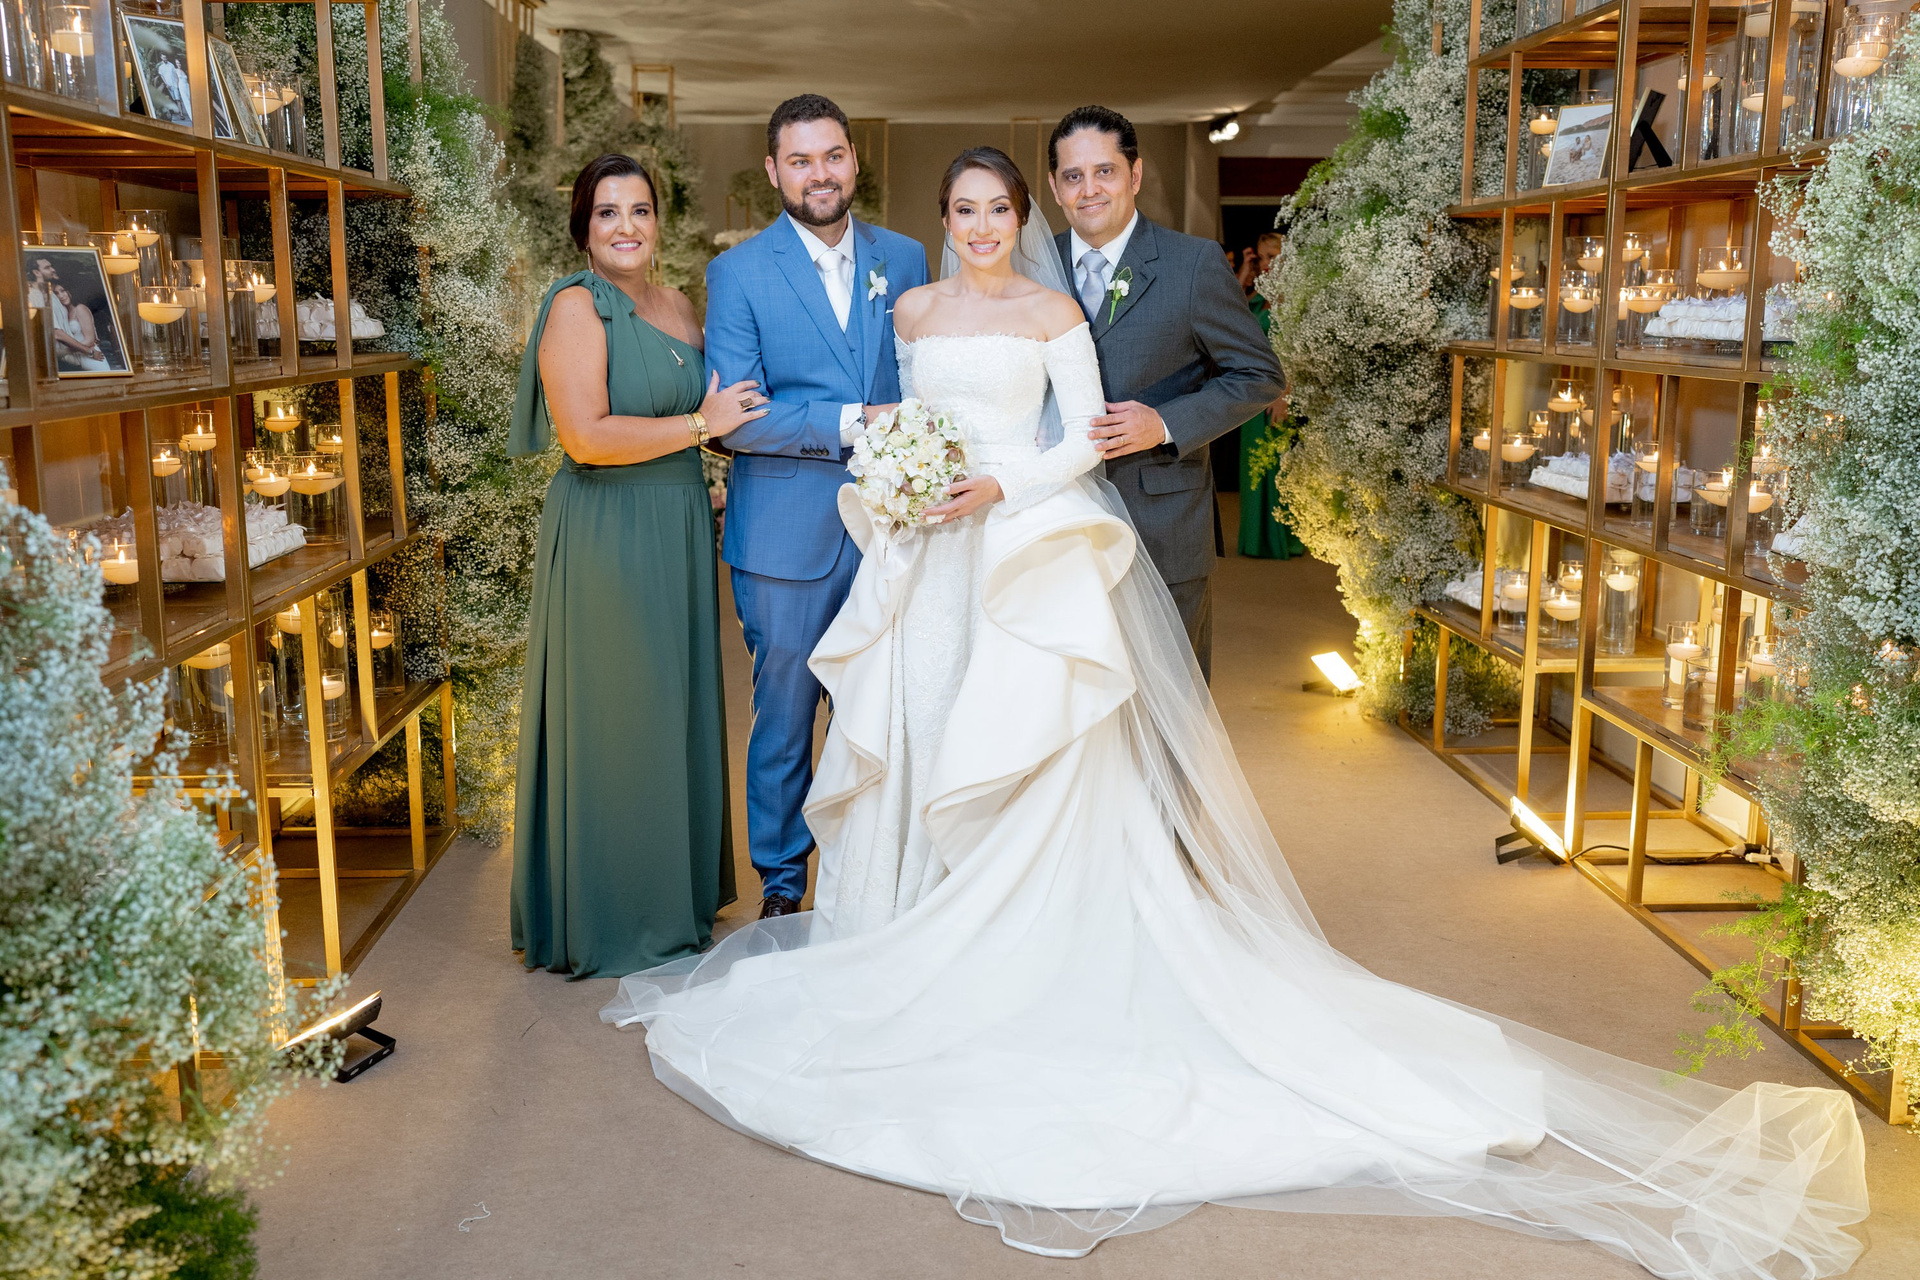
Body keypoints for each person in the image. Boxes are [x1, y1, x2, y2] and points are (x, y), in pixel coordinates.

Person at [602, 148, 1867, 1277]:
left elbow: (1083, 437)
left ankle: (1015, 939)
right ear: (943, 220)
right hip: (930, 560)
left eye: (999, 208)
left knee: (1022, 749)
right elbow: (900, 419)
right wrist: (906, 477)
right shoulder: (913, 309)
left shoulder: (1052, 311)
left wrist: (996, 485)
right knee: (927, 732)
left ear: (1021, 217)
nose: (982, 226)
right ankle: (900, 922)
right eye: (965, 209)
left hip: (1018, 544)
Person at [506, 153, 766, 978]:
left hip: (679, 523)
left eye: (640, 211)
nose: (626, 227)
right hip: (609, 531)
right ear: (583, 227)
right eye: (607, 212)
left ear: (659, 222)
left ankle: (672, 895)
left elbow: (719, 413)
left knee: (672, 705)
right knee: (621, 710)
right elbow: (585, 436)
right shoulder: (577, 307)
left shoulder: (679, 305)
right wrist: (700, 428)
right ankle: (614, 915)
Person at [703, 94, 930, 918]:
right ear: (774, 171)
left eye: (832, 155)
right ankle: (782, 881)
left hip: (894, 530)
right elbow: (738, 416)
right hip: (784, 536)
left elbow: (925, 379)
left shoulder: (905, 258)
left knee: (888, 709)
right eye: (800, 160)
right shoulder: (738, 273)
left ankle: (871, 872)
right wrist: (852, 422)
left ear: (853, 160)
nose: (820, 174)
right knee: (786, 716)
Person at [1047, 105, 1285, 679]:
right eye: (1073, 176)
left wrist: (1164, 423)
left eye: (1104, 171)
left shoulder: (1193, 263)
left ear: (1135, 175)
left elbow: (1259, 374)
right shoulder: (1033, 265)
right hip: (1055, 524)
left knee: (1172, 698)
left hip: (1162, 521)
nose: (1088, 189)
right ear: (1055, 187)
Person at [1236, 229, 1305, 558]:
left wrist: (1284, 396)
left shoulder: (1293, 297)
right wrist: (1244, 271)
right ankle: (1257, 539)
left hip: (1279, 394)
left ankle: (1282, 538)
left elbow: (1294, 351)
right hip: (1253, 394)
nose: (1266, 263)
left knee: (1278, 466)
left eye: (1272, 257)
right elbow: (1229, 312)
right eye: (1262, 257)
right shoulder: (1260, 296)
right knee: (1254, 464)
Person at [51, 284, 111, 372]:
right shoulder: (64, 315)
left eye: (62, 291)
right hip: (81, 359)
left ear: (69, 292)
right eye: (56, 293)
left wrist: (66, 351)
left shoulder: (80, 308)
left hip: (94, 359)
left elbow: (90, 340)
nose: (61, 296)